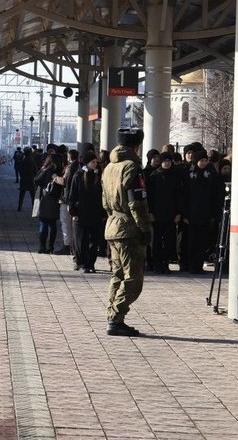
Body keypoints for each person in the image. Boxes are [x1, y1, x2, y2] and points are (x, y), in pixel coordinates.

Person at [101, 128, 151, 337]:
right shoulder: (132, 167)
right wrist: (144, 228)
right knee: (133, 279)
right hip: (129, 230)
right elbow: (136, 203)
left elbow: (104, 201)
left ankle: (113, 315)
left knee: (117, 275)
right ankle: (116, 317)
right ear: (136, 146)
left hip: (113, 225)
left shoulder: (109, 167)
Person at [68, 150, 105, 273]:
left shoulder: (98, 175)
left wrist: (103, 213)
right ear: (87, 163)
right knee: (81, 241)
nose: (95, 164)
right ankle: (82, 262)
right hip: (81, 214)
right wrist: (73, 212)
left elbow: (102, 195)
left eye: (96, 162)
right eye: (93, 162)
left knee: (94, 241)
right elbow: (72, 195)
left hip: (95, 214)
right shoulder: (78, 176)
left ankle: (91, 264)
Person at [147, 152, 182, 273]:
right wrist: (150, 212)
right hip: (157, 214)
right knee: (156, 241)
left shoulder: (176, 176)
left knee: (169, 241)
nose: (167, 163)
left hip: (171, 214)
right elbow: (150, 196)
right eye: (164, 161)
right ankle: (157, 264)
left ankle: (165, 264)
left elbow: (179, 196)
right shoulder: (154, 175)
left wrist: (178, 213)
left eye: (169, 160)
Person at [34, 153, 64, 253]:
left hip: (45, 198)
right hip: (55, 200)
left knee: (44, 223)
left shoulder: (46, 170)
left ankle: (42, 247)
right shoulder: (60, 171)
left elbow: (36, 180)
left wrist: (42, 170)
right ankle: (51, 247)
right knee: (53, 224)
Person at [17, 147, 36, 211]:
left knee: (22, 194)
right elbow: (36, 171)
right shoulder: (33, 161)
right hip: (31, 180)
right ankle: (34, 208)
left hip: (24, 180)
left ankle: (19, 207)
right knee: (33, 195)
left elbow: (19, 169)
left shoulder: (23, 161)